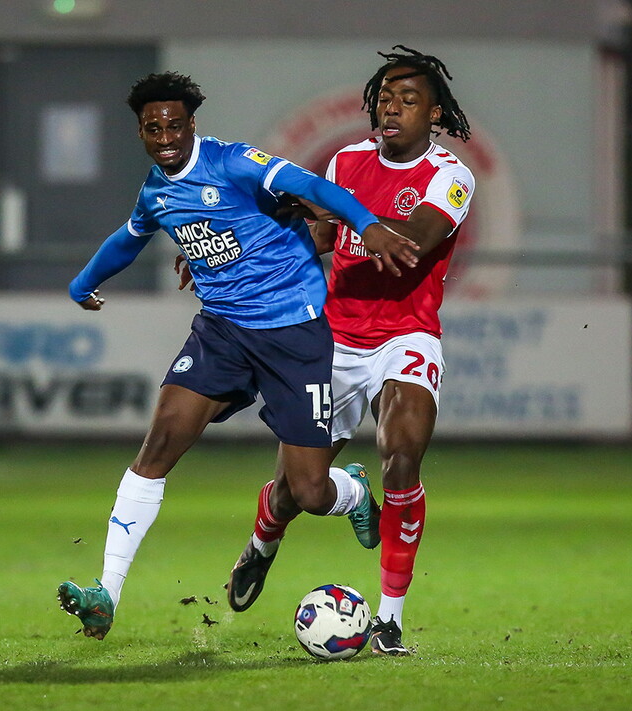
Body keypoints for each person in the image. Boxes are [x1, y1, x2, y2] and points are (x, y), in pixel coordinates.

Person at [56, 71, 420, 640]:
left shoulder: (233, 163)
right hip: (221, 334)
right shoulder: (157, 190)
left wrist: (366, 224)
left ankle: (351, 492)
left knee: (307, 490)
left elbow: (312, 186)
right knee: (159, 442)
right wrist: (84, 282)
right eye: (154, 128)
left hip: (293, 337)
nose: (166, 136)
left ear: (191, 124)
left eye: (175, 124)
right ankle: (106, 591)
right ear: (142, 133)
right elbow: (129, 237)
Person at [222, 46, 475, 656]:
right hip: (332, 339)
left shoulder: (449, 177)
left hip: (406, 336)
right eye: (385, 98)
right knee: (299, 493)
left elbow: (412, 243)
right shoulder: (346, 161)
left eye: (408, 100)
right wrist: (259, 239)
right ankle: (263, 540)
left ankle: (389, 619)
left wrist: (337, 212)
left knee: (404, 459)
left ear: (433, 113)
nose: (392, 109)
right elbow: (321, 234)